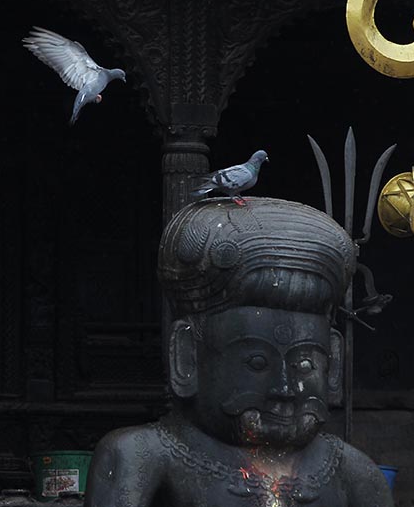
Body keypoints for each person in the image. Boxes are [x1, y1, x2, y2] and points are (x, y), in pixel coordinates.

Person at [85, 197, 394, 507]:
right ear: (186, 356)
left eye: (304, 363)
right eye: (257, 363)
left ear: (334, 364)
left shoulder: (353, 473)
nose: (284, 389)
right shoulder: (142, 455)